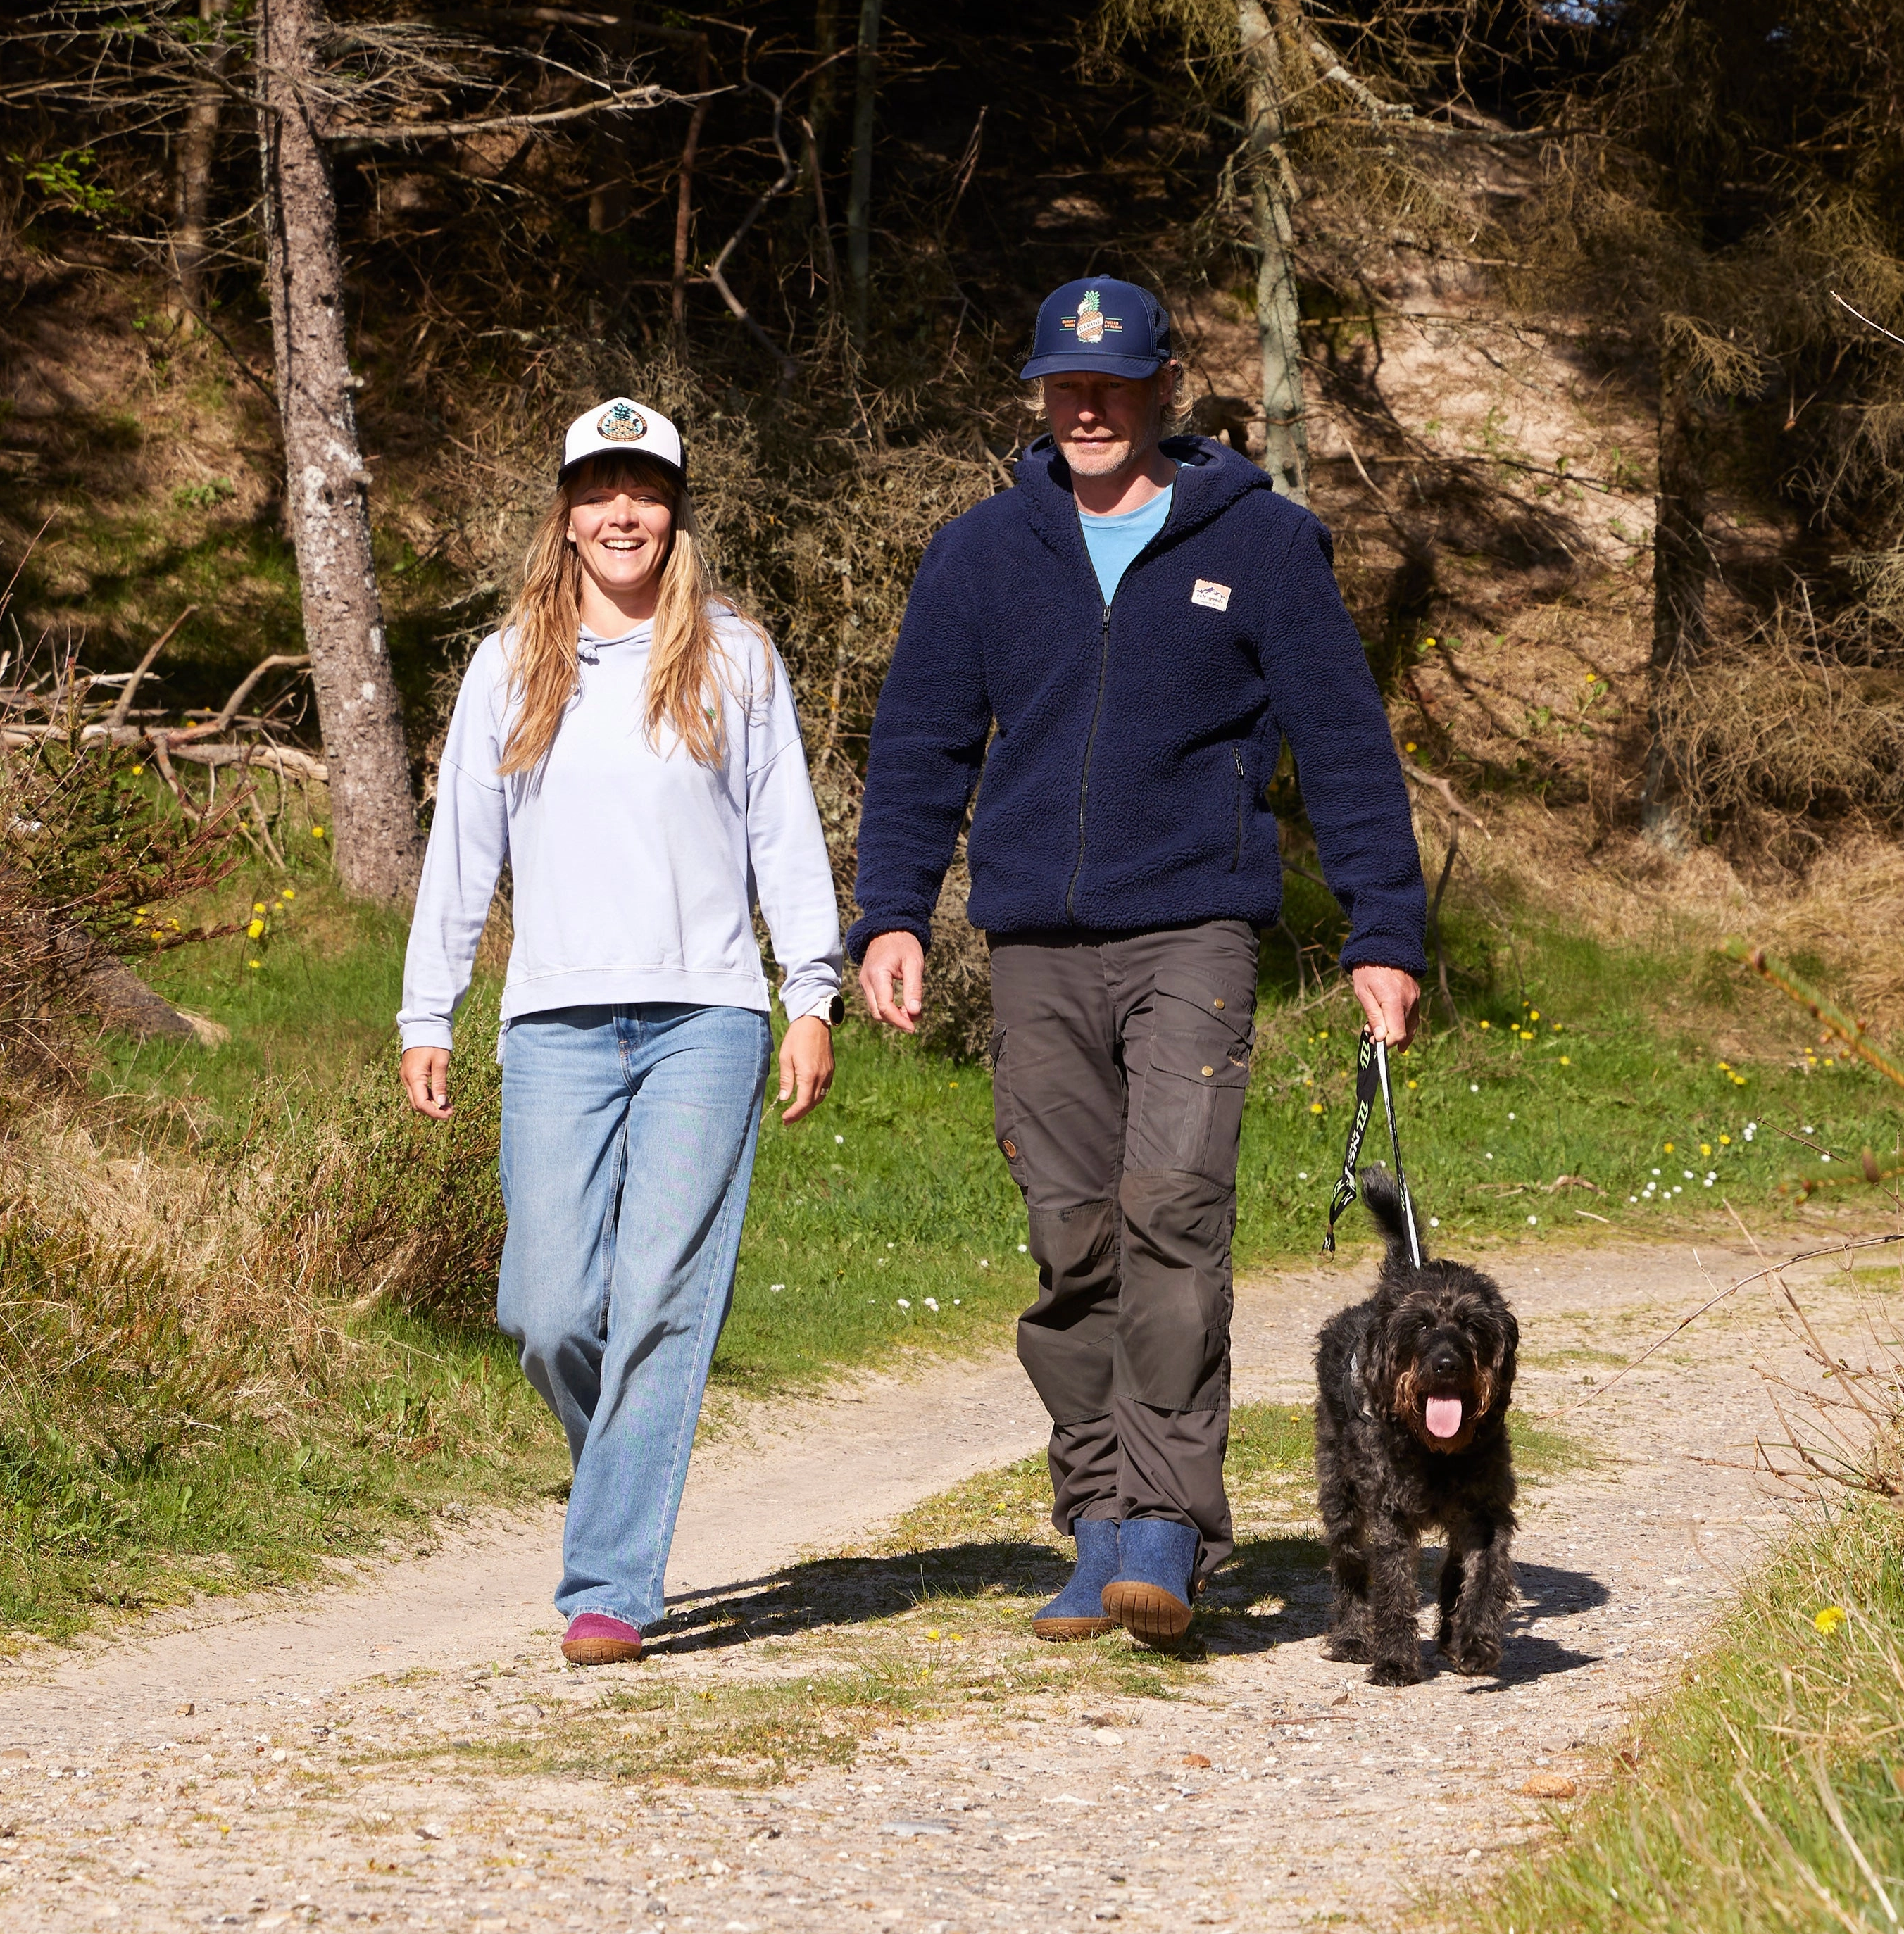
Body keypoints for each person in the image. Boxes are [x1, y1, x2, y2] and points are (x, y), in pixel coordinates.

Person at [848, 278, 1424, 1643]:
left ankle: (1168, 1523)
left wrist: (1382, 931)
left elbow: (1344, 748)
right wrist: (889, 914)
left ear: (1164, 385)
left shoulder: (1268, 548)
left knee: (1174, 1205)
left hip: (1193, 933)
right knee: (1072, 1237)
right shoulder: (980, 554)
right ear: (1040, 399)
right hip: (1036, 945)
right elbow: (921, 746)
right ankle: (1095, 1514)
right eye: (1065, 384)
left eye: (1114, 383)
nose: (1090, 406)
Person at [399, 398, 841, 1666]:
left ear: (675, 508)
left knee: (658, 1299)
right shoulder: (507, 665)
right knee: (544, 1309)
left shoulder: (738, 659)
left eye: (643, 488)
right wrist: (428, 1008)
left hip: (708, 1014)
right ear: (567, 512)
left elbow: (785, 837)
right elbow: (460, 857)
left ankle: (609, 1586)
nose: (622, 513)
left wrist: (809, 992)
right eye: (599, 489)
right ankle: (631, 1468)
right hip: (553, 1021)